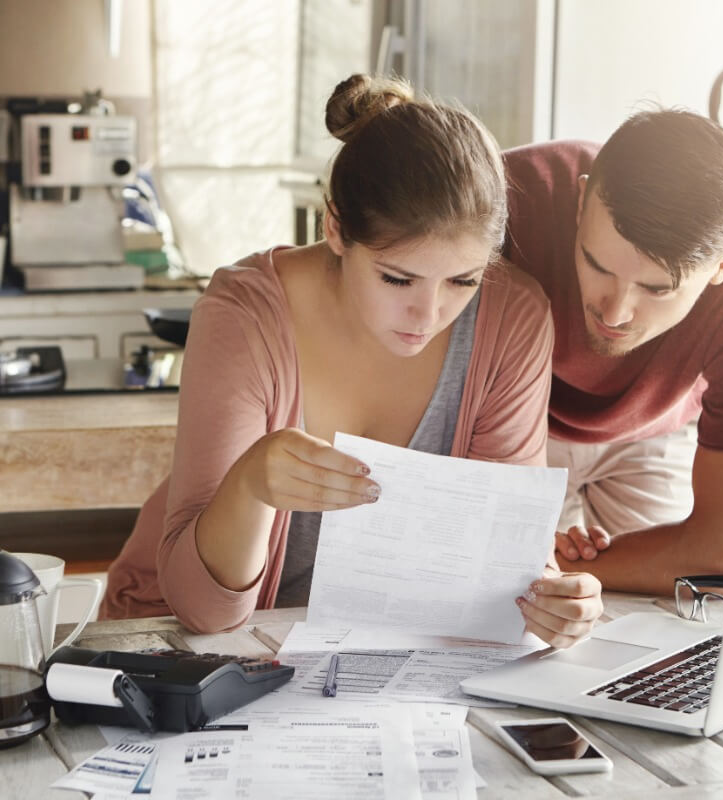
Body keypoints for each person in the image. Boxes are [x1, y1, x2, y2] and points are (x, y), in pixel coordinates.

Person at [103, 74, 603, 648]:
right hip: (188, 647)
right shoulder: (242, 315)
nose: (429, 313)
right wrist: (251, 485)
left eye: (463, 281)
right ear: (335, 227)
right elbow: (202, 611)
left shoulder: (512, 318)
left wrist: (551, 599)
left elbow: (499, 566)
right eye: (397, 278)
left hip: (387, 658)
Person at [500, 109, 723, 595]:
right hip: (513, 419)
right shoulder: (505, 199)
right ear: (580, 203)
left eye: (657, 290)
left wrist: (541, 564)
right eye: (597, 264)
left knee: (669, 618)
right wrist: (512, 559)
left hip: (655, 430)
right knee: (494, 610)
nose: (615, 314)